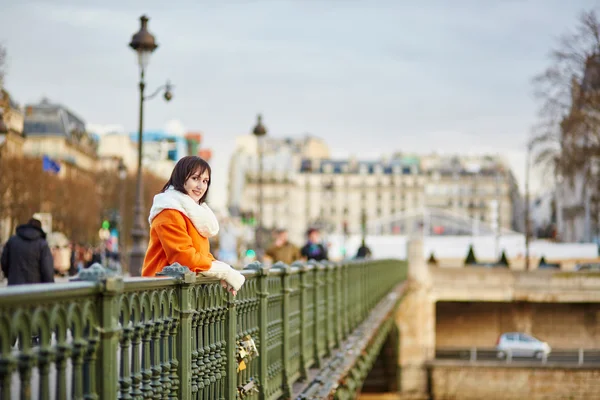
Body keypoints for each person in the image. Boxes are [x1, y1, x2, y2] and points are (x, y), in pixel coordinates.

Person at [142, 156, 245, 295]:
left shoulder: (192, 214)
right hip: (160, 295)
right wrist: (223, 272)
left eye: (205, 181)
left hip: (180, 292)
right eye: (195, 178)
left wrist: (222, 271)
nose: (200, 186)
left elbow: (201, 255)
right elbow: (184, 257)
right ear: (181, 178)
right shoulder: (168, 212)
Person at [1, 218, 55, 285]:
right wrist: (49, 286)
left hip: (14, 287)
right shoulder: (42, 244)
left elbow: (4, 262)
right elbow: (47, 269)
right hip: (35, 289)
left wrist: (10, 275)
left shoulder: (12, 241)